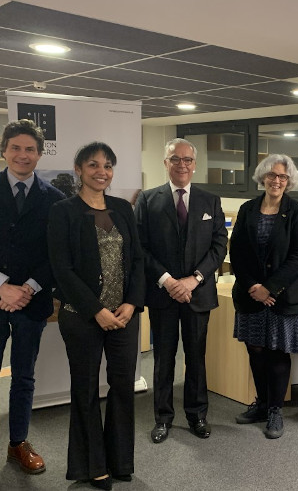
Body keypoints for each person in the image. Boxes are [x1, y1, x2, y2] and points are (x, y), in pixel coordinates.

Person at [47, 142, 145, 490]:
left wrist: (132, 304)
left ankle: (120, 461)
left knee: (122, 387)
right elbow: (62, 269)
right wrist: (97, 311)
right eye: (93, 165)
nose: (101, 171)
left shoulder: (122, 209)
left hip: (125, 316)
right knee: (85, 389)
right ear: (78, 169)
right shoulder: (63, 211)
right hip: (82, 316)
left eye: (107, 166)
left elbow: (137, 260)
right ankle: (93, 465)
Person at [135, 138, 227, 443]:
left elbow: (218, 245)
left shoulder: (210, 201)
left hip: (198, 294)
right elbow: (140, 248)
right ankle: (162, 417)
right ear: (166, 163)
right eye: (176, 159)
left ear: (195, 164)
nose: (182, 165)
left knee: (196, 358)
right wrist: (168, 280)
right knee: (163, 358)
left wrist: (194, 279)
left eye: (188, 160)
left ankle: (197, 414)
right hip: (163, 294)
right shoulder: (147, 200)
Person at [0, 119, 65, 474]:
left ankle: (17, 444)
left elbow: (57, 255)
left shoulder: (55, 199)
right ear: (4, 150)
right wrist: (2, 286)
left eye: (29, 149)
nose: (22, 155)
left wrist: (27, 288)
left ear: (39, 154)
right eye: (15, 147)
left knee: (23, 377)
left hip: (32, 302)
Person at [230, 154, 298, 439]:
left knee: (277, 351)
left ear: (289, 182)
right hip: (250, 296)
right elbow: (236, 251)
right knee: (255, 350)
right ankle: (262, 403)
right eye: (272, 175)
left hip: (282, 297)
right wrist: (253, 286)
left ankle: (276, 409)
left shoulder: (297, 211)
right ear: (262, 176)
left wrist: (270, 288)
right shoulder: (248, 208)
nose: (277, 181)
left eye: (283, 177)